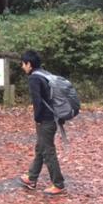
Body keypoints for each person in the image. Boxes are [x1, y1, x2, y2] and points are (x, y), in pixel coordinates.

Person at [19, 50, 66, 195]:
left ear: (29, 64)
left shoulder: (34, 78)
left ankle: (58, 184)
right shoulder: (45, 74)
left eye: (23, 64)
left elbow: (37, 101)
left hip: (46, 119)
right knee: (41, 147)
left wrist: (38, 119)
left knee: (48, 151)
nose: (22, 67)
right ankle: (31, 178)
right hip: (53, 117)